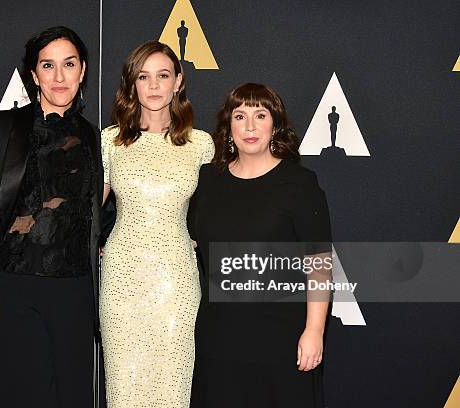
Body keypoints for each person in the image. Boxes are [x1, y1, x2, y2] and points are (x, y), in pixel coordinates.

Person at [0, 26, 103, 408]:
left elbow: (94, 211)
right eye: (48, 66)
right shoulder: (0, 128)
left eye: (68, 64)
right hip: (12, 287)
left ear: (82, 70)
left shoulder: (94, 138)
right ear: (34, 75)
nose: (59, 77)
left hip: (74, 293)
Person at [189, 83, 332, 407]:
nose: (250, 126)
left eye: (260, 115)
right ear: (228, 127)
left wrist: (314, 331)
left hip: (281, 338)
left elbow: (319, 264)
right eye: (240, 116)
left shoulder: (299, 184)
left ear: (275, 125)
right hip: (219, 336)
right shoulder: (208, 181)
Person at [100, 41, 214, 407]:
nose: (153, 86)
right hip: (121, 279)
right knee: (124, 388)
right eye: (143, 76)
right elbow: (86, 213)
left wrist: (203, 239)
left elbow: (217, 210)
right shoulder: (109, 142)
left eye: (162, 76)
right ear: (132, 84)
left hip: (176, 281)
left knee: (172, 388)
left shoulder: (201, 145)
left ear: (178, 82)